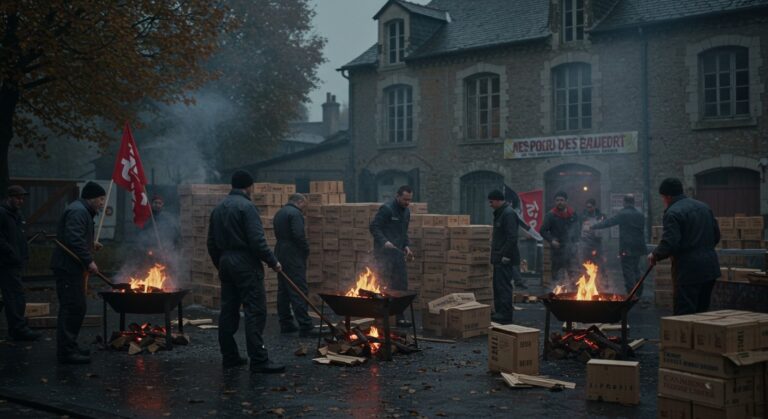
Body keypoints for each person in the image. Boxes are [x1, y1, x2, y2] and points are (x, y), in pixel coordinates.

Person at [207, 170, 284, 374]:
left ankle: (230, 357)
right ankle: (259, 360)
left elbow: (211, 242)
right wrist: (273, 261)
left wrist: (221, 263)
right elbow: (257, 241)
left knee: (228, 310)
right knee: (255, 310)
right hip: (245, 263)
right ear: (249, 186)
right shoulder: (247, 207)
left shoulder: (218, 208)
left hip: (225, 261)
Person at [50, 181, 106, 364]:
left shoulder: (82, 210)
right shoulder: (78, 212)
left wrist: (90, 244)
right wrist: (89, 260)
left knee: (77, 307)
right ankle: (66, 353)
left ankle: (70, 346)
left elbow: (76, 237)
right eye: (100, 199)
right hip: (68, 268)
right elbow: (73, 238)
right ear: (91, 198)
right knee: (72, 308)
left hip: (72, 267)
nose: (102, 203)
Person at [648, 178, 721, 315]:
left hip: (688, 271)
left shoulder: (673, 212)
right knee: (702, 313)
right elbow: (716, 236)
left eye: (663, 198)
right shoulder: (704, 207)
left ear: (668, 196)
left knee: (684, 315)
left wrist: (655, 254)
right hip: (710, 268)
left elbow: (670, 242)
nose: (663, 201)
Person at [487, 190, 543, 324]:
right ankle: (500, 312)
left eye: (491, 202)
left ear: (498, 200)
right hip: (498, 257)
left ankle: (505, 314)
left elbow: (512, 237)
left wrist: (505, 255)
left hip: (504, 258)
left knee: (504, 287)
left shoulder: (508, 214)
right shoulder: (502, 212)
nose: (490, 204)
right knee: (498, 286)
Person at [0, 185, 41, 341]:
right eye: (18, 198)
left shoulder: (16, 214)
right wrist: (11, 253)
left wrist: (23, 255)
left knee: (15, 295)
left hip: (15, 262)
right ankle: (18, 329)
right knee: (14, 296)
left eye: (22, 198)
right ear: (9, 197)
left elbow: (19, 237)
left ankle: (18, 328)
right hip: (6, 263)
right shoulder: (3, 213)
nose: (21, 201)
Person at [369, 185, 414, 327]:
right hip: (383, 255)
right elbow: (374, 227)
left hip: (398, 255)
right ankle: (380, 317)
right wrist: (384, 242)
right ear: (397, 196)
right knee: (384, 284)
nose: (407, 203)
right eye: (405, 199)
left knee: (400, 285)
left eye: (409, 200)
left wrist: (406, 246)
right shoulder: (387, 209)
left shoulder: (407, 212)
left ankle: (399, 317)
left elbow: (403, 233)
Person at [590, 194, 647, 296]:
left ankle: (631, 294)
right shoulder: (640, 215)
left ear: (624, 202)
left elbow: (609, 222)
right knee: (636, 269)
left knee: (628, 271)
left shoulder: (623, 214)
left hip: (627, 247)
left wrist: (593, 226)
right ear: (633, 202)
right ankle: (639, 292)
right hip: (638, 246)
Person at [273, 193, 313, 336]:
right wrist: (306, 250)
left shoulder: (279, 213)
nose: (304, 208)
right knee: (299, 289)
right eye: (304, 205)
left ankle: (286, 323)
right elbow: (298, 235)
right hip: (293, 254)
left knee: (283, 290)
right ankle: (305, 325)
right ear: (300, 201)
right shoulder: (295, 214)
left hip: (280, 252)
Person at [540, 191, 580, 285]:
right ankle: (556, 290)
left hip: (571, 249)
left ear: (566, 201)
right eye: (557, 200)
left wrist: (577, 242)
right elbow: (542, 231)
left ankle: (572, 291)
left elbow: (577, 230)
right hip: (557, 249)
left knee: (572, 273)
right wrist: (551, 240)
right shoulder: (550, 215)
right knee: (556, 273)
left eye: (561, 200)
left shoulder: (573, 214)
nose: (559, 202)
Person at [580, 198, 605, 267]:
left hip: (597, 242)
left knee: (599, 261)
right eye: (587, 207)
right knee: (586, 261)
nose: (589, 209)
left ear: (594, 206)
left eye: (590, 207)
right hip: (586, 243)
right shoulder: (582, 216)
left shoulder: (600, 216)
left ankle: (601, 272)